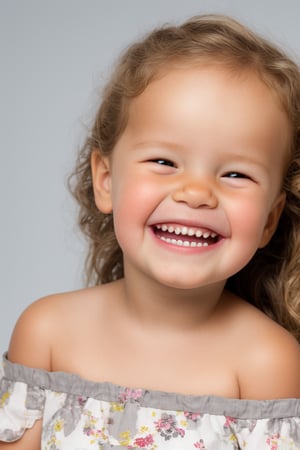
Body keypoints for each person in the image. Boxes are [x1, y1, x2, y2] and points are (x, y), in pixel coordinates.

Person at [1, 14, 300, 450]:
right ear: (106, 180)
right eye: (164, 162)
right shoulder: (46, 332)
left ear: (269, 220)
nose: (197, 193)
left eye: (236, 173)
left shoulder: (267, 362)